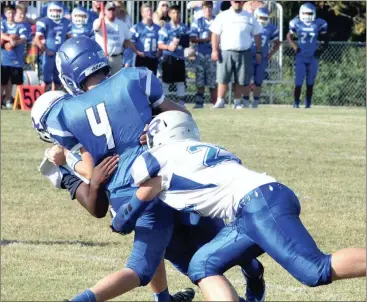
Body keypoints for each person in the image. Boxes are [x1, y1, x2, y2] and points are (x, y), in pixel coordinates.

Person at [33, 36, 265, 302]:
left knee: (171, 261)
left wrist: (67, 162)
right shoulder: (134, 77)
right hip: (169, 175)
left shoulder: (70, 111)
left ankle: (249, 270)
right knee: (210, 243)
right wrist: (159, 124)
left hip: (132, 193)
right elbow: (183, 117)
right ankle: (250, 269)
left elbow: (88, 170)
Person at [113, 110, 367, 301]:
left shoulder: (155, 158)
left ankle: (254, 273)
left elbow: (137, 200)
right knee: (202, 265)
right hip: (253, 207)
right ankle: (254, 275)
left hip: (258, 205)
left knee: (314, 270)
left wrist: (120, 220)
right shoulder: (207, 148)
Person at [210, 1, 262, 109]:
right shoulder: (222, 16)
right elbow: (215, 34)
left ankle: (237, 102)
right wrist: (214, 50)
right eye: (235, 1)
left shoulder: (250, 17)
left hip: (244, 52)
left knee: (240, 79)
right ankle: (220, 101)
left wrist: (258, 51)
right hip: (225, 52)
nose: (237, 3)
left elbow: (257, 35)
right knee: (222, 78)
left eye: (239, 1)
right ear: (231, 2)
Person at [286, 3, 328, 108]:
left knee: (310, 81)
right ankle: (296, 102)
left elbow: (326, 38)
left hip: (313, 56)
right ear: (301, 13)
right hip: (301, 56)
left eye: (309, 13)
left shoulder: (319, 23)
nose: (307, 15)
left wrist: (321, 50)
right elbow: (288, 36)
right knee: (298, 81)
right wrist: (295, 47)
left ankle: (308, 103)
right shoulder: (296, 22)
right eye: (305, 13)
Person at [93, 1, 142, 75]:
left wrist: (136, 51)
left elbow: (128, 39)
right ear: (105, 11)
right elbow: (96, 28)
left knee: (116, 81)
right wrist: (101, 18)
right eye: (109, 10)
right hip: (103, 57)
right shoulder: (100, 22)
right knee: (104, 81)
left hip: (117, 57)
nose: (111, 12)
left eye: (113, 9)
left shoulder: (121, 24)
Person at [158, 4, 190, 108]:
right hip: (169, 57)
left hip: (180, 57)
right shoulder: (166, 28)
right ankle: (165, 103)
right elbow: (159, 44)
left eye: (178, 13)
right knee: (166, 80)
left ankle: (181, 103)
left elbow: (187, 42)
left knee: (180, 81)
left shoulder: (184, 27)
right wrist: (168, 47)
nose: (176, 15)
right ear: (169, 14)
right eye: (174, 13)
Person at [34, 1, 70, 91]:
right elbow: (36, 39)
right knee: (45, 79)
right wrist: (46, 50)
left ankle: (54, 99)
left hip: (60, 54)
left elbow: (70, 38)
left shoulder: (66, 22)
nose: (55, 13)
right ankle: (43, 99)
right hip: (48, 54)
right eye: (53, 10)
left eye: (58, 10)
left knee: (58, 79)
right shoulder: (44, 21)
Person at [249, 7, 280, 108]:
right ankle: (244, 100)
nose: (263, 20)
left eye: (265, 18)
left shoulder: (271, 28)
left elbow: (277, 42)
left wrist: (271, 54)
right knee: (245, 80)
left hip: (262, 57)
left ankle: (255, 102)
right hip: (249, 55)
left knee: (258, 81)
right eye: (261, 17)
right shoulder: (250, 25)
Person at [190, 1, 217, 109]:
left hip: (213, 54)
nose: (208, 10)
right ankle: (199, 102)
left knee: (213, 81)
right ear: (202, 9)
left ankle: (215, 103)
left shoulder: (217, 21)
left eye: (210, 8)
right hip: (201, 54)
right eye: (206, 8)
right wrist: (206, 39)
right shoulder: (197, 22)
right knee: (200, 80)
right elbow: (192, 38)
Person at [1, 4, 28, 109]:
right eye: (9, 13)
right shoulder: (3, 24)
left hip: (16, 58)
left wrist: (15, 42)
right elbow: (1, 35)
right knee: (2, 82)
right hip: (4, 58)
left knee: (12, 82)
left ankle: (8, 100)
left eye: (12, 13)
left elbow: (24, 38)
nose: (11, 15)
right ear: (5, 14)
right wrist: (9, 39)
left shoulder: (19, 26)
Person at [130, 3, 161, 75]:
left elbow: (161, 42)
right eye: (147, 11)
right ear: (142, 13)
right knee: (140, 81)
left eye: (150, 11)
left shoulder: (158, 28)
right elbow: (131, 42)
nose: (149, 13)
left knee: (152, 81)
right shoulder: (136, 27)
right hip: (141, 58)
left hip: (153, 58)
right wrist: (137, 52)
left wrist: (159, 52)